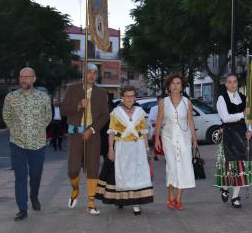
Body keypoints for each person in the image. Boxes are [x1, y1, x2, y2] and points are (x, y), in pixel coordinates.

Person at [3, 67, 52, 221]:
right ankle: (22, 209)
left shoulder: (43, 97)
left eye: (27, 76)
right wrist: (16, 130)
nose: (24, 79)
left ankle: (34, 197)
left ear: (34, 79)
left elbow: (48, 116)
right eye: (21, 76)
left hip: (38, 143)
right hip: (17, 143)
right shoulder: (10, 97)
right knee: (20, 176)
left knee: (36, 175)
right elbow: (6, 116)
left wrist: (37, 130)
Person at [60, 63, 109, 215]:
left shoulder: (101, 93)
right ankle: (75, 189)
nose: (92, 75)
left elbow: (105, 115)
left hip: (93, 135)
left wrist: (92, 129)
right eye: (89, 72)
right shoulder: (73, 89)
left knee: (93, 167)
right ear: (83, 73)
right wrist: (78, 105)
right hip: (75, 133)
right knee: (73, 168)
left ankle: (91, 203)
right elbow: (63, 111)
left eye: (95, 72)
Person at [96, 86, 153, 215]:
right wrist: (110, 149)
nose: (130, 99)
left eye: (132, 96)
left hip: (137, 147)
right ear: (122, 97)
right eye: (127, 96)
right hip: (122, 147)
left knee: (136, 174)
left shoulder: (140, 111)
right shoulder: (116, 112)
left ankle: (136, 202)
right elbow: (111, 133)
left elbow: (144, 133)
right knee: (123, 175)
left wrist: (147, 149)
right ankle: (122, 199)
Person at [154, 74, 197, 210]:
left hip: (184, 137)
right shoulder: (163, 102)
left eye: (178, 83)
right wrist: (156, 138)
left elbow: (190, 120)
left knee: (184, 166)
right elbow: (159, 121)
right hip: (168, 136)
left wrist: (194, 138)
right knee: (172, 167)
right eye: (173, 83)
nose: (175, 85)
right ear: (169, 86)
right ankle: (170, 196)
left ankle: (178, 198)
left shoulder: (187, 102)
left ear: (182, 87)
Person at [215, 74, 252, 208]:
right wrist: (242, 114)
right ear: (225, 84)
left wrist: (251, 130)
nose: (232, 84)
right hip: (229, 135)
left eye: (235, 82)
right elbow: (225, 118)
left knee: (241, 167)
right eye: (229, 82)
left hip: (243, 135)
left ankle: (236, 196)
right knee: (229, 168)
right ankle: (225, 188)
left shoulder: (244, 98)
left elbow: (251, 118)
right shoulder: (222, 98)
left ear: (238, 83)